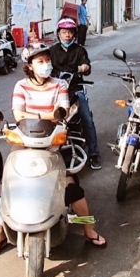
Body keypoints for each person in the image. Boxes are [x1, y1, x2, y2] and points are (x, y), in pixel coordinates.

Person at [0, 43, 107, 255]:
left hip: (53, 147)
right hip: (25, 146)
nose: (46, 65)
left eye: (48, 60)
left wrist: (39, 115)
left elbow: (62, 110)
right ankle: (1, 232)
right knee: (8, 186)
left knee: (73, 189)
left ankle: (88, 228)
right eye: (40, 61)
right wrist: (47, 116)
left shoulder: (59, 84)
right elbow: (18, 115)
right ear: (30, 66)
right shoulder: (21, 87)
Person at [48, 18, 101, 170]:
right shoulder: (51, 51)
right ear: (58, 34)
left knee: (87, 119)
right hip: (55, 92)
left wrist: (85, 67)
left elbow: (87, 65)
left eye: (70, 32)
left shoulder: (79, 50)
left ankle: (94, 154)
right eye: (64, 32)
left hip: (75, 90)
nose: (67, 35)